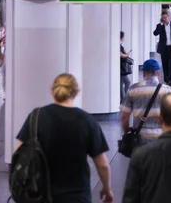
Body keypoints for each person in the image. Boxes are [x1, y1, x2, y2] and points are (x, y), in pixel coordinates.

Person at [15, 73, 114, 202]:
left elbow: (19, 152)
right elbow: (103, 165)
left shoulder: (36, 117)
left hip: (40, 194)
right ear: (75, 93)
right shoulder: (87, 121)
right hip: (77, 196)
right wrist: (107, 188)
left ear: (52, 90)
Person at [120, 59, 171, 149]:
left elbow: (124, 117)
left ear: (144, 72)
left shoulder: (133, 89)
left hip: (139, 139)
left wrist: (126, 134)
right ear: (158, 73)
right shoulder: (168, 90)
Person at [153, 10, 171, 86]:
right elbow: (155, 33)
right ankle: (166, 80)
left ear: (168, 17)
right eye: (163, 18)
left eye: (165, 17)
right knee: (165, 64)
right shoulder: (160, 26)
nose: (164, 19)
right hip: (164, 48)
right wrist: (160, 24)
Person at [120, 31, 132, 102]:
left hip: (120, 68)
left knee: (121, 84)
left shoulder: (119, 45)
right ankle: (125, 99)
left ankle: (123, 99)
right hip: (121, 68)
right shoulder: (119, 46)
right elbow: (121, 54)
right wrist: (127, 55)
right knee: (127, 82)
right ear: (121, 38)